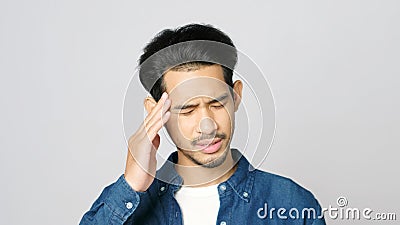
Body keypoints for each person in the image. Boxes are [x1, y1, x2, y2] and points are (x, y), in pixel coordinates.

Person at [79, 23, 326, 225]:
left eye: (217, 104)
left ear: (236, 96)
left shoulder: (291, 205)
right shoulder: (127, 207)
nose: (207, 126)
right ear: (156, 112)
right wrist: (132, 184)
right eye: (187, 110)